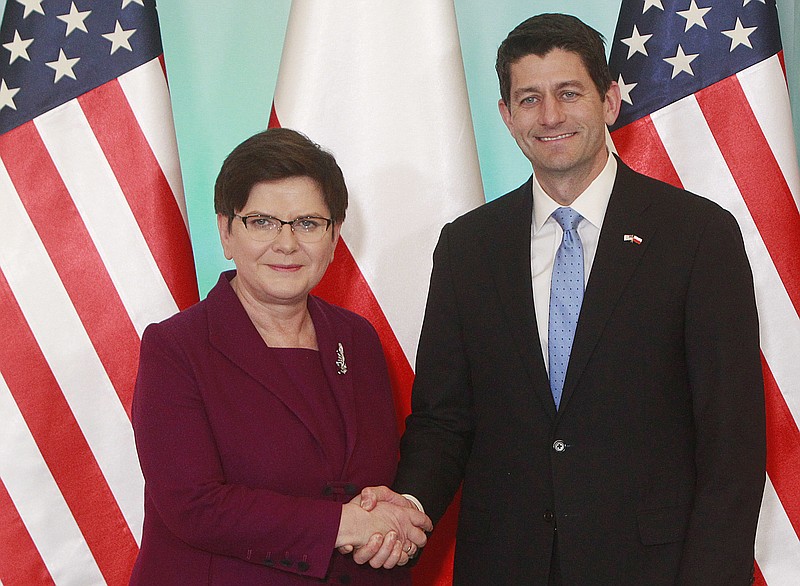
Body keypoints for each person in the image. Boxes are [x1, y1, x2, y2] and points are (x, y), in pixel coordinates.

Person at [353, 13, 766, 585]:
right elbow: (444, 419)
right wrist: (410, 508)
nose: (550, 115)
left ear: (610, 101)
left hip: (654, 569)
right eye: (529, 99)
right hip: (505, 565)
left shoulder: (696, 236)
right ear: (506, 115)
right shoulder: (469, 247)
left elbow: (732, 442)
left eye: (569, 93)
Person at [129, 128, 432, 585]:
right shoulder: (176, 349)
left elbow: (371, 482)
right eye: (263, 221)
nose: (287, 243)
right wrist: (345, 525)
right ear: (226, 232)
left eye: (308, 223)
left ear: (333, 239)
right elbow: (193, 505)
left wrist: (389, 523)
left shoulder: (358, 339)